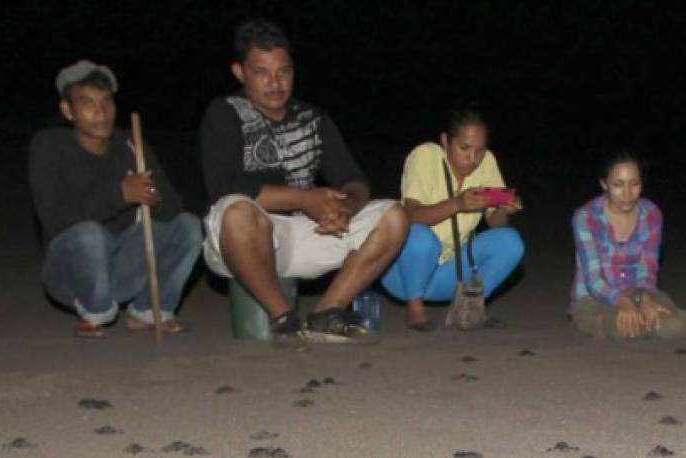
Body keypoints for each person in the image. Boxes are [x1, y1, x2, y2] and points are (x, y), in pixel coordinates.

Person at [200, 19, 408, 343]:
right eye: (262, 72)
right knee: (237, 210)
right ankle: (283, 318)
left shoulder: (313, 118)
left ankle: (327, 313)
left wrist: (345, 208)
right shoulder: (224, 112)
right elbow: (226, 187)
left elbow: (354, 181)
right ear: (240, 73)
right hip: (241, 242)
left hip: (305, 233)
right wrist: (306, 199)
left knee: (394, 215)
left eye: (283, 71)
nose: (275, 82)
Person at [29, 60, 203, 338]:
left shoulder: (130, 143)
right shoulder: (49, 145)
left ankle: (148, 311)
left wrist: (154, 200)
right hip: (69, 274)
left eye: (106, 102)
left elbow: (173, 206)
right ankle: (93, 311)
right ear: (67, 110)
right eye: (87, 103)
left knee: (189, 225)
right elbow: (53, 219)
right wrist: (120, 194)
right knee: (90, 234)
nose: (101, 113)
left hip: (122, 269)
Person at [570, 151, 686, 339]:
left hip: (637, 291)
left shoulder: (651, 214)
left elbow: (647, 270)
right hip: (593, 299)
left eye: (634, 184)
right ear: (604, 184)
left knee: (668, 326)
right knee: (624, 329)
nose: (627, 194)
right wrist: (622, 301)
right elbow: (594, 281)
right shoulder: (586, 217)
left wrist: (646, 298)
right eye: (618, 185)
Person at [381, 106, 525, 330]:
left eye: (480, 150)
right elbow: (410, 215)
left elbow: (496, 224)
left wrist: (504, 210)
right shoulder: (425, 156)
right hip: (403, 273)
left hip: (450, 273)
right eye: (464, 148)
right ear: (446, 141)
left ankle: (468, 308)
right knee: (420, 235)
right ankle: (415, 307)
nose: (472, 158)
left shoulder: (487, 163)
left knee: (510, 241)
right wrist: (456, 204)